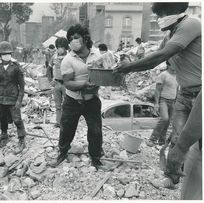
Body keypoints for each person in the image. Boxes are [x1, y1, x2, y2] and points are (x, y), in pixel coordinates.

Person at [115, 2, 201, 200]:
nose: (157, 18)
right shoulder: (168, 36)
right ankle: (173, 178)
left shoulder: (191, 24)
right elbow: (152, 56)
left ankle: (191, 182)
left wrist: (128, 68)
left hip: (199, 94)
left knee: (190, 142)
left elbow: (160, 57)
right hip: (184, 94)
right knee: (176, 138)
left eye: (160, 14)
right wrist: (128, 62)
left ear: (174, 12)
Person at [50, 24, 107, 171]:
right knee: (67, 129)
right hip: (72, 100)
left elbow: (104, 74)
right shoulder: (67, 60)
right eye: (70, 39)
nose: (73, 41)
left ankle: (95, 158)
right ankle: (62, 153)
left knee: (95, 131)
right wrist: (83, 84)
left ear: (85, 38)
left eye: (76, 37)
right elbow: (68, 83)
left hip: (92, 100)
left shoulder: (97, 55)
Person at [0, 41, 26, 154]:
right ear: (0, 56)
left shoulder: (16, 68)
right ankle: (4, 135)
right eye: (4, 54)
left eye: (9, 54)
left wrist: (19, 101)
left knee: (17, 119)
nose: (7, 56)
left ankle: (21, 139)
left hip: (13, 98)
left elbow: (22, 86)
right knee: (2, 118)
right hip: (1, 98)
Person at [146, 61, 178, 147]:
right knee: (164, 118)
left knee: (167, 122)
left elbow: (177, 89)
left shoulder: (177, 76)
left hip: (173, 101)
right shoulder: (163, 75)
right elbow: (158, 90)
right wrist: (156, 103)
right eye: (174, 63)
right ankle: (152, 139)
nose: (176, 65)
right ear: (169, 65)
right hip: (164, 100)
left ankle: (161, 140)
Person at [48, 37, 69, 128]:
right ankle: (58, 122)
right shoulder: (54, 57)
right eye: (58, 47)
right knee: (57, 105)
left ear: (65, 47)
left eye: (62, 47)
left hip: (67, 84)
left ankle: (66, 122)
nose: (59, 49)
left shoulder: (69, 57)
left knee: (67, 104)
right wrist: (50, 80)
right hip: (56, 83)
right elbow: (48, 68)